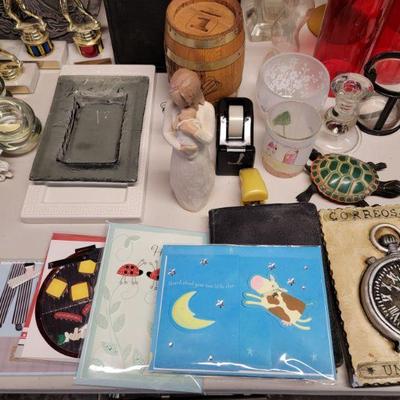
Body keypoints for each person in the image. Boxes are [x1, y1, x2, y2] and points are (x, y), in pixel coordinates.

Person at [162, 68, 215, 212]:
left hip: (200, 160)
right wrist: (179, 146)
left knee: (200, 183)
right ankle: (183, 198)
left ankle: (200, 198)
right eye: (176, 102)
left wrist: (193, 130)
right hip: (180, 160)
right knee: (182, 184)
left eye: (183, 103)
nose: (178, 107)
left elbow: (209, 138)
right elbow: (167, 132)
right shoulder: (170, 106)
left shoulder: (207, 109)